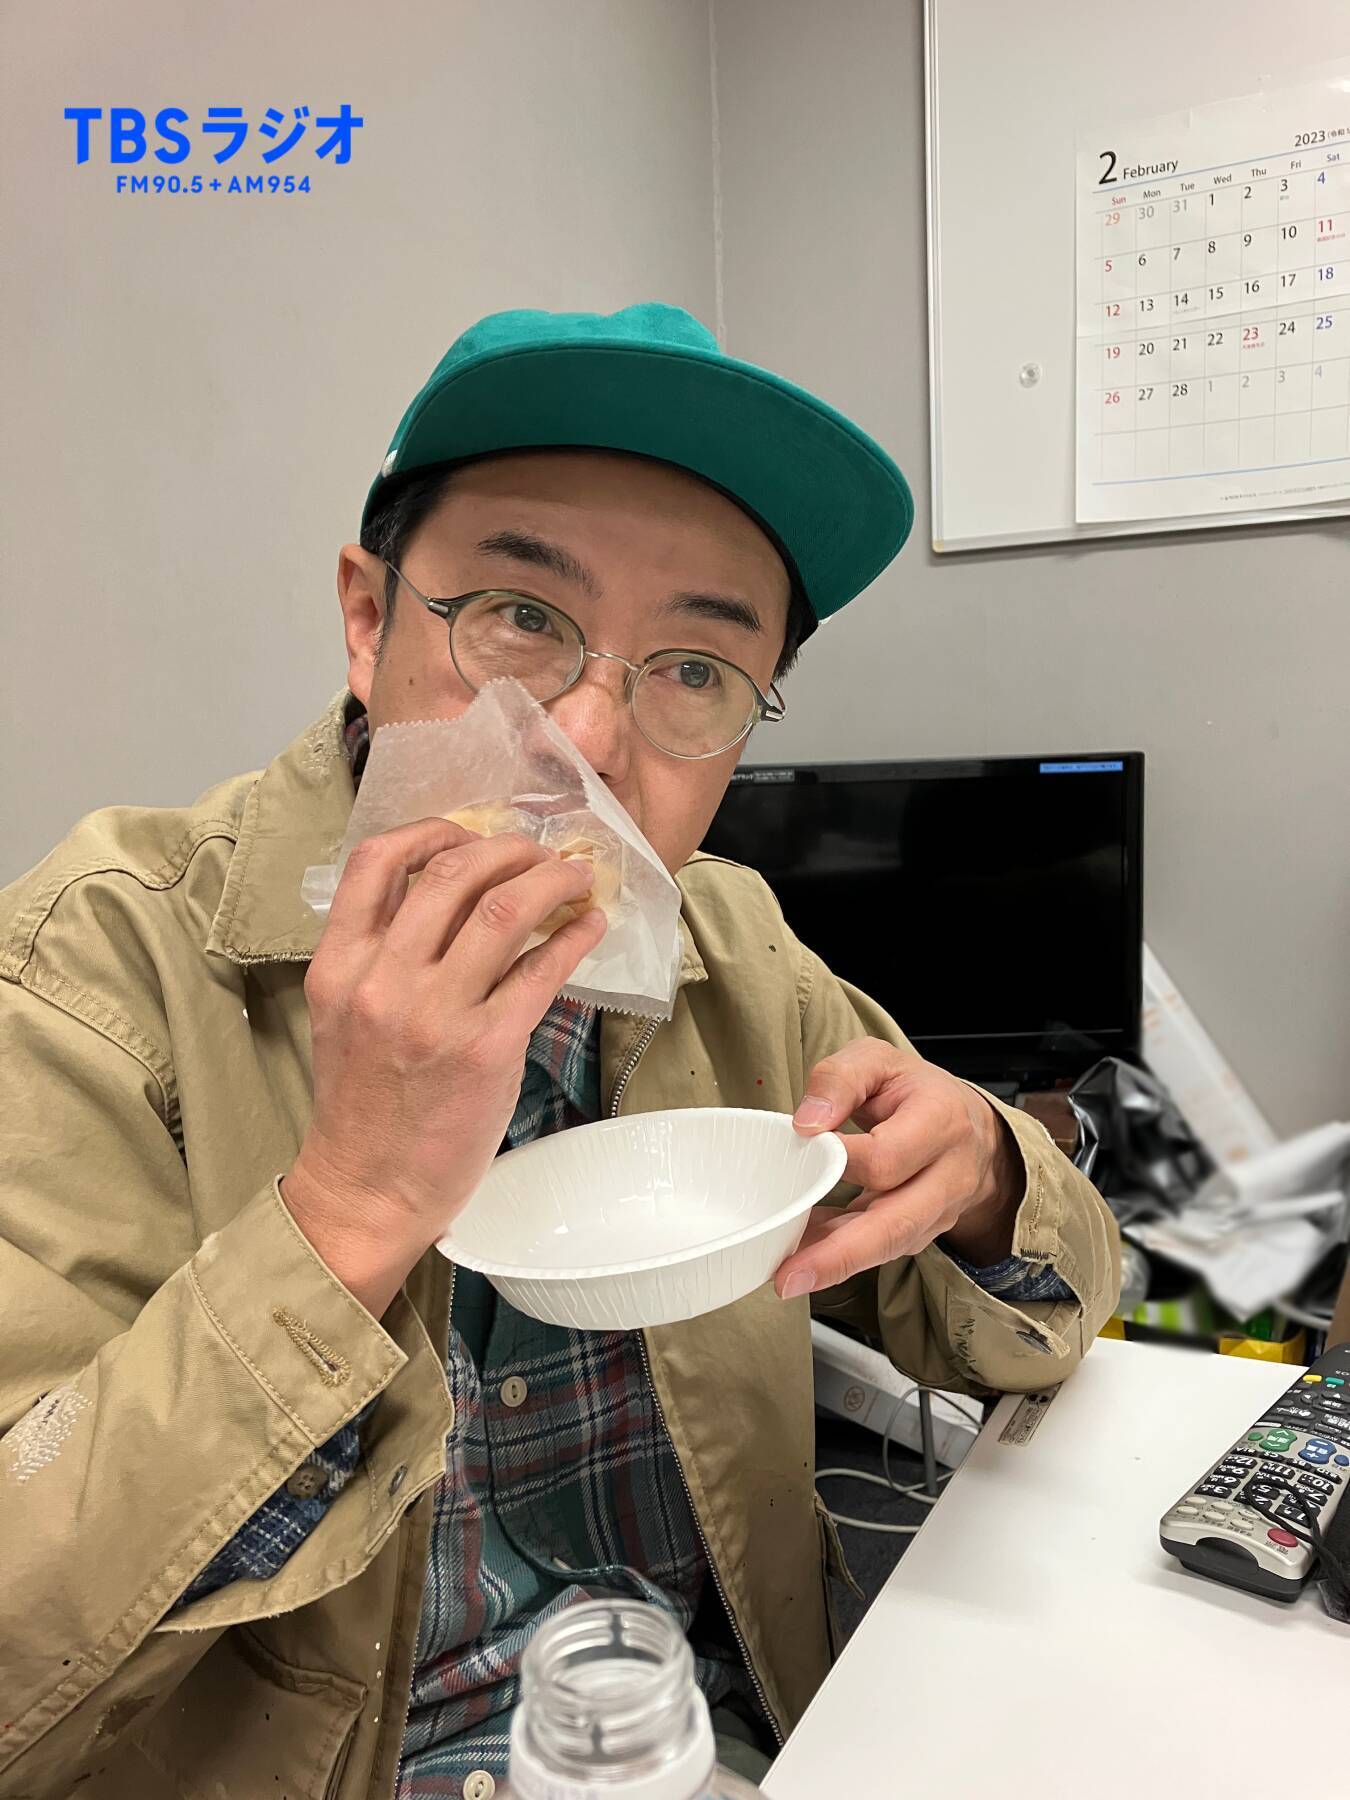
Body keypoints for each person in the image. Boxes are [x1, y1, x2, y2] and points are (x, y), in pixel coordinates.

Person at [0, 303, 1120, 1800]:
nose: (587, 737)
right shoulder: (95, 968)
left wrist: (982, 1175)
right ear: (367, 621)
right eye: (521, 618)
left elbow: (1056, 1303)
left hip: (714, 1738)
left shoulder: (733, 941)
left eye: (694, 668)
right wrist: (349, 1207)